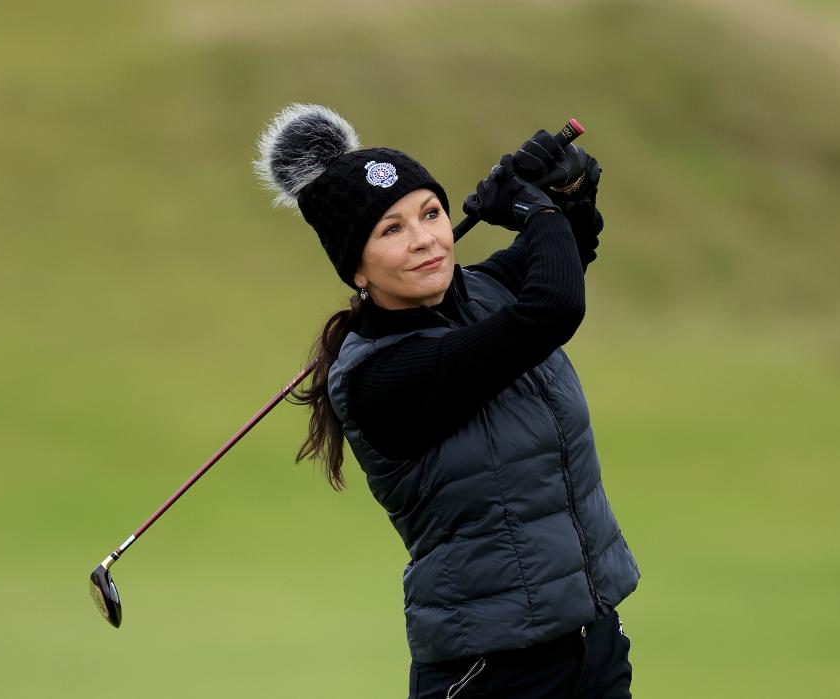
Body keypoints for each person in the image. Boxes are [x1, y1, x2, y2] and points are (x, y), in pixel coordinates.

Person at [255, 103, 640, 698]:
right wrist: (531, 209)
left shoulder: (484, 292)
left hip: (591, 648)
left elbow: (571, 244)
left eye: (429, 213)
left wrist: (564, 185)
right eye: (392, 230)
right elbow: (554, 307)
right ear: (356, 270)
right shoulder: (382, 377)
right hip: (492, 672)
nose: (425, 240)